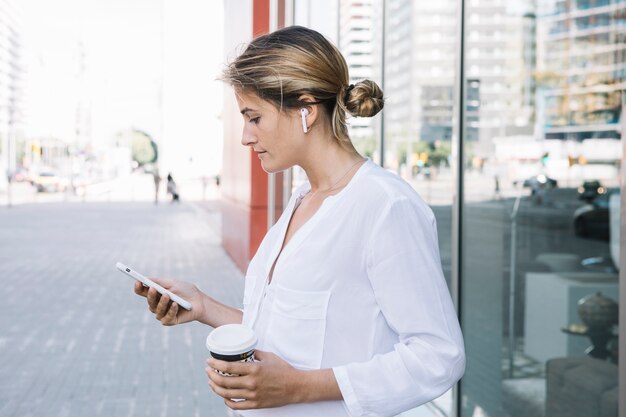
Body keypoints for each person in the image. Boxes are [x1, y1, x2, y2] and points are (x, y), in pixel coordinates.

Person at [133, 25, 464, 417]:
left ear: (305, 109)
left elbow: (439, 356)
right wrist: (203, 305)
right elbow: (284, 331)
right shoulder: (301, 200)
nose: (245, 136)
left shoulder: (385, 207)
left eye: (254, 117)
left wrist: (298, 388)